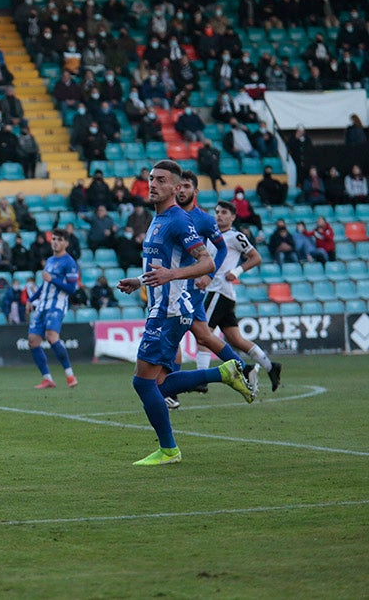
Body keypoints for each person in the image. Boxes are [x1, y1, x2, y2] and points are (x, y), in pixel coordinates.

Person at [116, 160, 252, 466]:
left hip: (169, 311)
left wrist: (172, 276)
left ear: (177, 189)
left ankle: (169, 450)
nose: (153, 184)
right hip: (162, 307)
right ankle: (224, 372)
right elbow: (161, 265)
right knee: (159, 385)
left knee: (143, 383)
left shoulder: (178, 220)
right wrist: (138, 281)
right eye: (151, 179)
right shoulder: (157, 219)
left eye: (161, 180)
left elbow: (207, 263)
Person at [198, 201, 282, 392]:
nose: (219, 215)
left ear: (233, 217)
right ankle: (270, 366)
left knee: (203, 334)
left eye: (224, 212)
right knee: (235, 339)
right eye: (217, 212)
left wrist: (236, 271)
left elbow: (256, 257)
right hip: (223, 294)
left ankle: (200, 378)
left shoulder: (235, 236)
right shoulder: (212, 237)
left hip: (219, 291)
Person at [29, 229, 80, 389]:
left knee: (51, 336)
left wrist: (53, 279)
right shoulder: (50, 260)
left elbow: (72, 288)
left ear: (66, 243)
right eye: (54, 239)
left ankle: (70, 375)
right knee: (33, 341)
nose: (55, 242)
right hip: (42, 304)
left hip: (57, 305)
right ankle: (47, 378)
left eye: (59, 239)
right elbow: (45, 285)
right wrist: (31, 299)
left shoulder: (69, 262)